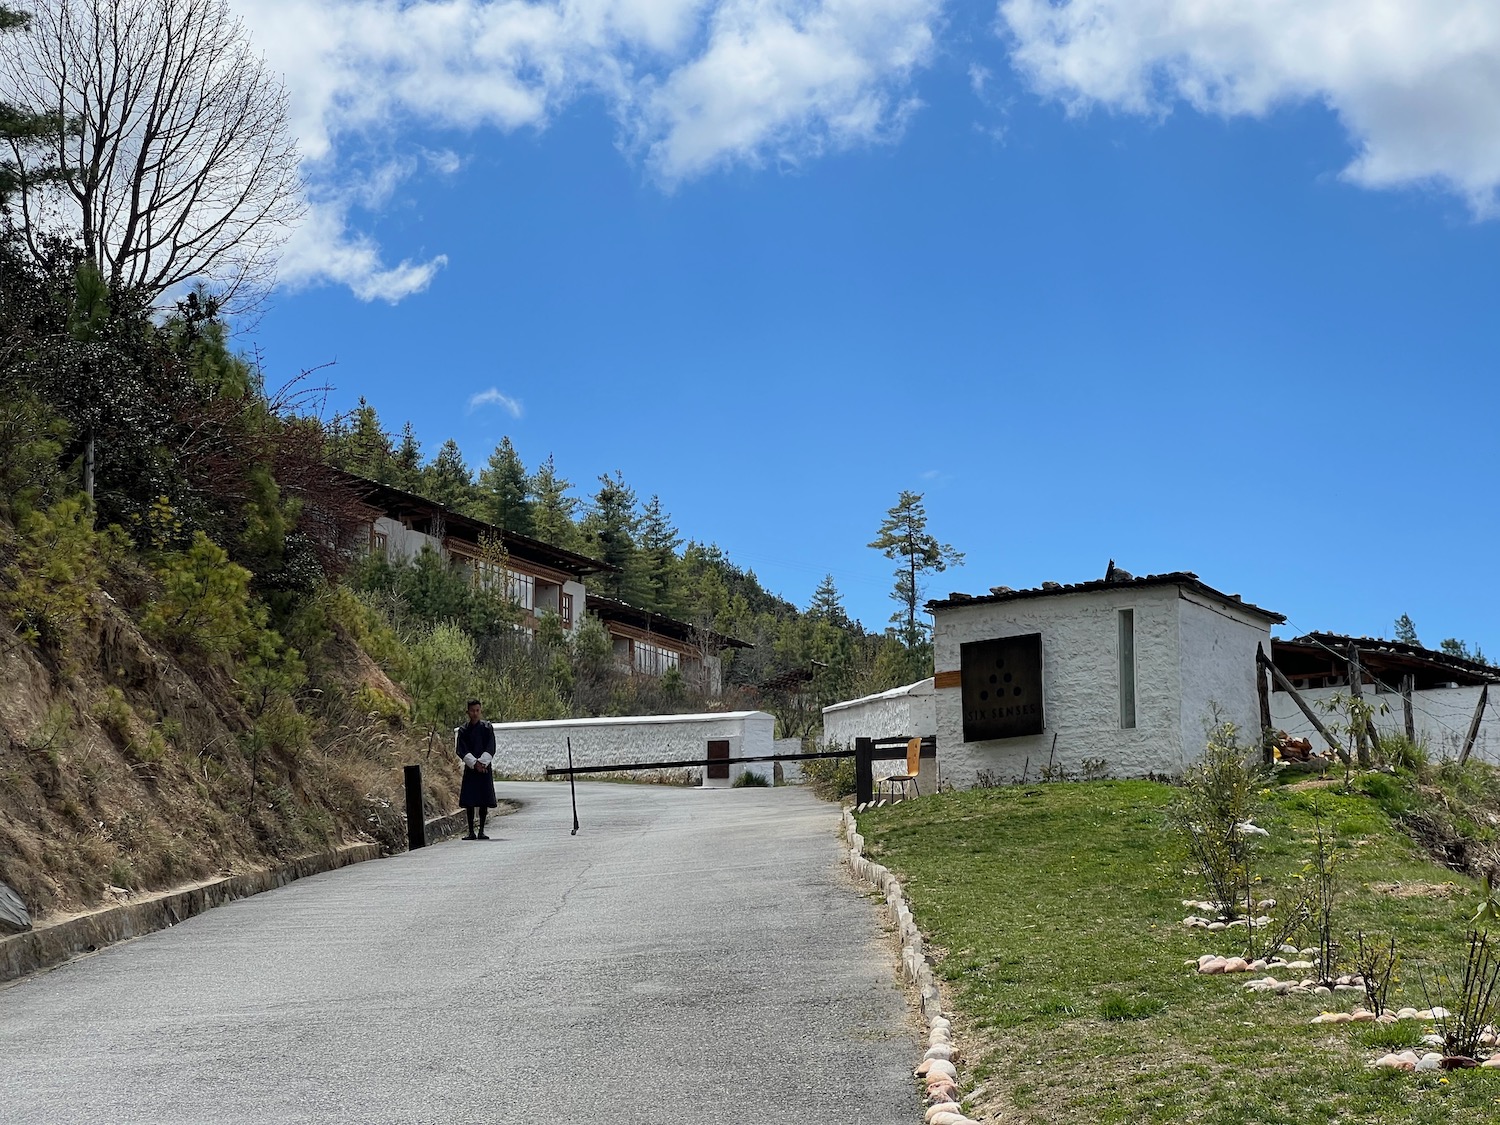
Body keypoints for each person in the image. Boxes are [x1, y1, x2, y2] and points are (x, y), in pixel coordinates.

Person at [455, 699, 497, 840]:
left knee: (483, 800)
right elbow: (461, 749)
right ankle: (471, 831)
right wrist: (474, 763)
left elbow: (491, 747)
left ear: (480, 711)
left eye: (477, 710)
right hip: (471, 768)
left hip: (484, 768)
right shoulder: (463, 730)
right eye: (472, 711)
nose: (475, 713)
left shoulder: (487, 728)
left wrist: (483, 763)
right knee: (470, 801)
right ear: (468, 712)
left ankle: (482, 830)